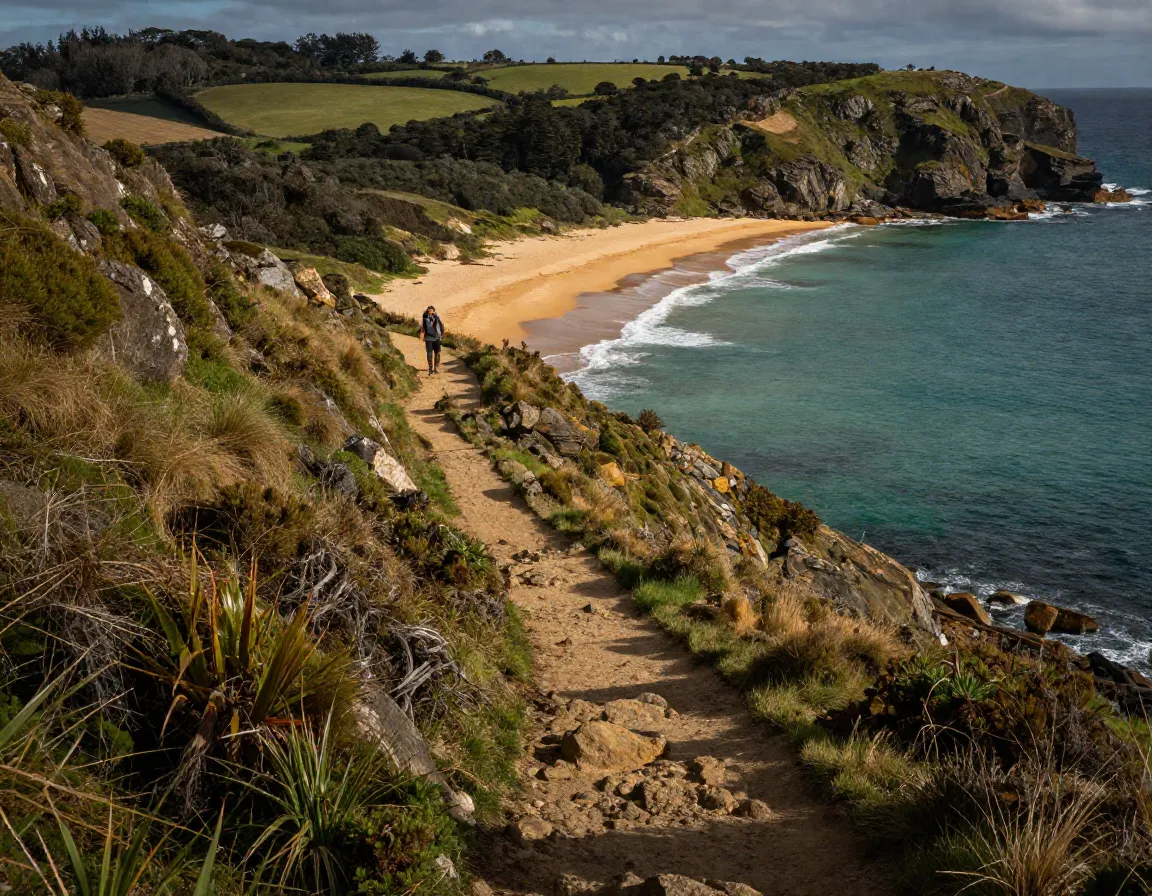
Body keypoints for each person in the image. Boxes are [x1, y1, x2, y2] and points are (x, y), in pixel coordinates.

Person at [419, 305, 444, 375]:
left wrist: (441, 336)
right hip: (428, 338)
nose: (430, 312)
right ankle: (430, 367)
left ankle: (436, 367)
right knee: (429, 354)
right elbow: (423, 327)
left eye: (431, 310)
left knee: (438, 353)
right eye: (429, 310)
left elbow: (440, 327)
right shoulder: (425, 318)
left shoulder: (437, 318)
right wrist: (421, 336)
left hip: (437, 337)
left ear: (434, 311)